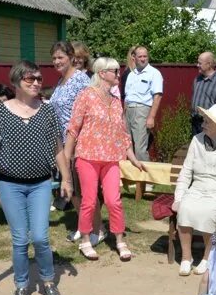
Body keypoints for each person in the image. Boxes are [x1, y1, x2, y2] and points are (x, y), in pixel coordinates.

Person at [0, 61, 72, 295]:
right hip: (9, 184)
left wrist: (66, 178)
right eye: (30, 79)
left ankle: (48, 282)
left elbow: (58, 147)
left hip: (40, 184)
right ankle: (22, 284)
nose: (37, 83)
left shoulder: (48, 111)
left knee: (40, 237)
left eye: (38, 78)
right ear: (16, 82)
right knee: (19, 239)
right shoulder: (1, 112)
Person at [64, 57, 146, 262]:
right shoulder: (86, 96)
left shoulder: (117, 101)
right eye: (115, 71)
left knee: (113, 201)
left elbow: (123, 133)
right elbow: (73, 128)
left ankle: (120, 241)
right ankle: (85, 240)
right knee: (89, 201)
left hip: (111, 158)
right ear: (102, 73)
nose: (119, 74)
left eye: (119, 71)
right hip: (87, 156)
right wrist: (66, 157)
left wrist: (134, 159)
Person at [172, 104, 216, 276]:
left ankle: (206, 257)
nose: (203, 123)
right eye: (204, 120)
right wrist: (178, 197)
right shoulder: (197, 140)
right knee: (185, 209)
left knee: (211, 212)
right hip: (198, 186)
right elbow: (187, 171)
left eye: (208, 121)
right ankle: (186, 258)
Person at [49, 40, 93, 237]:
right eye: (54, 58)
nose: (57, 61)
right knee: (72, 189)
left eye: (60, 57)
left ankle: (92, 227)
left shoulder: (80, 80)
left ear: (71, 58)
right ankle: (83, 224)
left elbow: (88, 113)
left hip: (77, 142)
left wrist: (74, 145)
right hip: (62, 142)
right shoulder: (60, 82)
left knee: (81, 188)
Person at [124, 45, 163, 161]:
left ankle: (144, 178)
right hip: (128, 111)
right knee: (127, 145)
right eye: (140, 56)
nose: (142, 59)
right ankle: (130, 177)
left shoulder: (154, 73)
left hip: (142, 110)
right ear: (134, 58)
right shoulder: (131, 74)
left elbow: (158, 96)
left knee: (140, 149)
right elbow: (127, 97)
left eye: (145, 56)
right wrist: (123, 116)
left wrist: (151, 117)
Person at [190, 51, 216, 138]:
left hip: (210, 124)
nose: (197, 65)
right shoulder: (197, 79)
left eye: (200, 63)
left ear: (209, 64)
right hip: (195, 121)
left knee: (208, 149)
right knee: (197, 147)